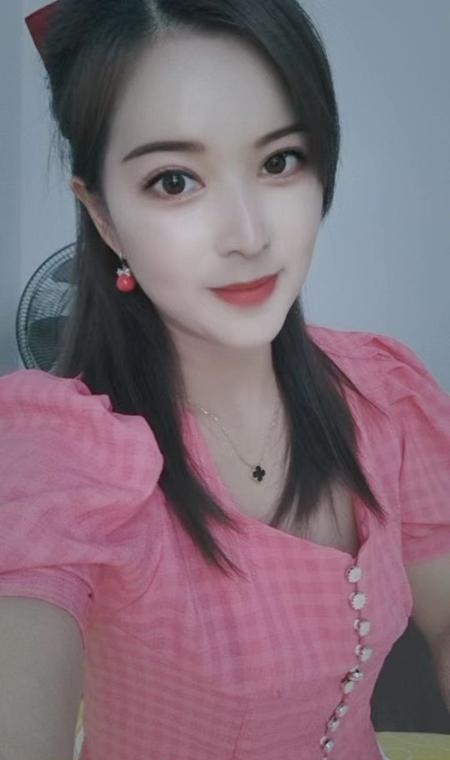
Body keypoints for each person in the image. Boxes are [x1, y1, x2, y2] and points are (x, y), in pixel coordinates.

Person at [0, 1, 449, 759]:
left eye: (279, 162)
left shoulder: (383, 393)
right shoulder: (64, 453)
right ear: (103, 217)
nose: (249, 235)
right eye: (174, 180)